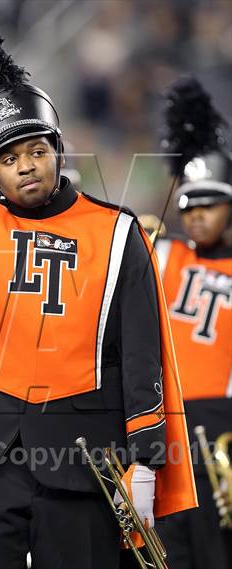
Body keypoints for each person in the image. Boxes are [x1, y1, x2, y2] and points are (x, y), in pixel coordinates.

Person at [0, 21, 197, 569]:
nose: (25, 166)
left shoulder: (119, 231)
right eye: (8, 159)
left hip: (84, 454)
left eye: (36, 150)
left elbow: (142, 356)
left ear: (58, 149)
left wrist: (148, 460)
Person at [154, 77, 232, 569]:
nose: (197, 215)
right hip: (160, 427)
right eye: (188, 204)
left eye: (209, 203)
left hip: (222, 426)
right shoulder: (160, 251)